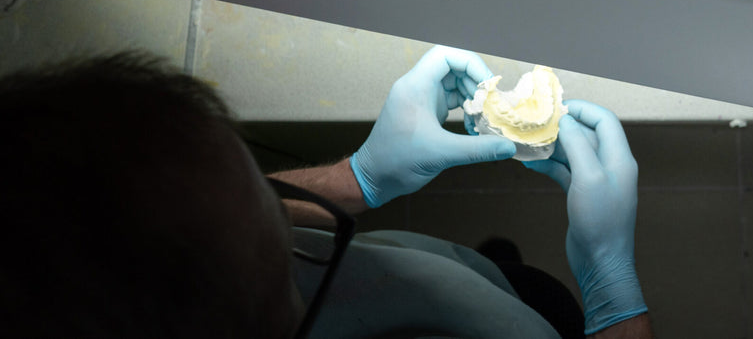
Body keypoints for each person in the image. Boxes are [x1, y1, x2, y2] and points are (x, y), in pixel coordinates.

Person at [0, 46, 654, 338]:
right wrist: (613, 299)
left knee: (517, 280)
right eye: (285, 241)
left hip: (464, 288)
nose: (292, 217)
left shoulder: (51, 221)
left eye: (262, 183)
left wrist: (356, 180)